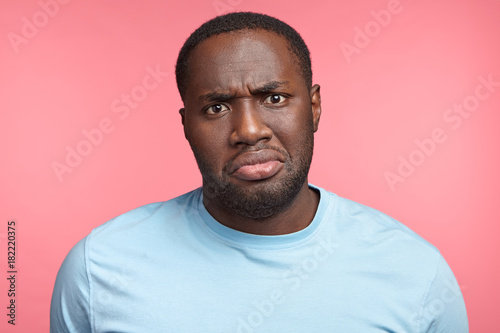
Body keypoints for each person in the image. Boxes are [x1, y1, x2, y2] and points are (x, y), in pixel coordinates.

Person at [50, 12, 468, 332]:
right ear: (185, 125)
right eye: (216, 107)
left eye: (274, 97)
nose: (249, 131)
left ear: (315, 107)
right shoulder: (97, 268)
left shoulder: (415, 272)